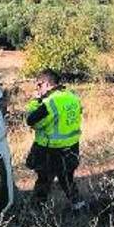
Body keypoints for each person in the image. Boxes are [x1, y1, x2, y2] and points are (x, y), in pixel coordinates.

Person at [25, 69, 85, 210]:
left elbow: (31, 121)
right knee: (67, 180)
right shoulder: (72, 97)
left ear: (46, 83)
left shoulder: (49, 103)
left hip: (50, 150)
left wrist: (35, 101)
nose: (37, 89)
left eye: (39, 85)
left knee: (44, 181)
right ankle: (79, 207)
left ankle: (37, 212)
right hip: (72, 147)